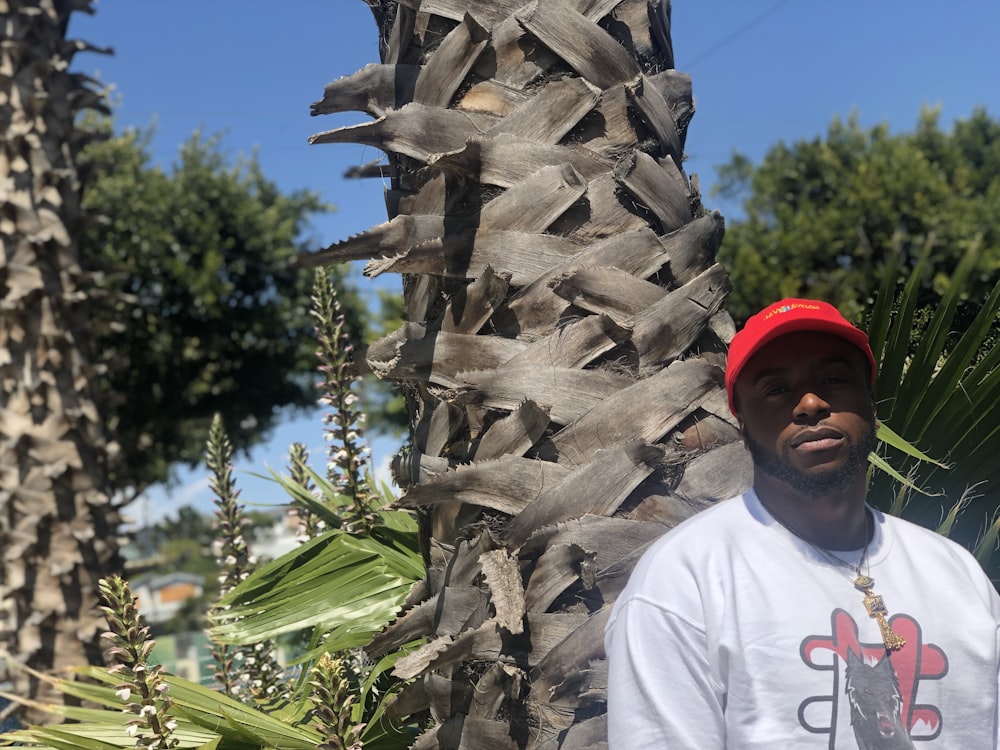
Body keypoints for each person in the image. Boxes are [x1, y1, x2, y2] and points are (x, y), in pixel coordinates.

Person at [604, 298, 1000, 748]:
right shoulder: (685, 579)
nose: (811, 403)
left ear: (871, 403)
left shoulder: (957, 574)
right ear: (741, 424)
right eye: (776, 389)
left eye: (834, 380)